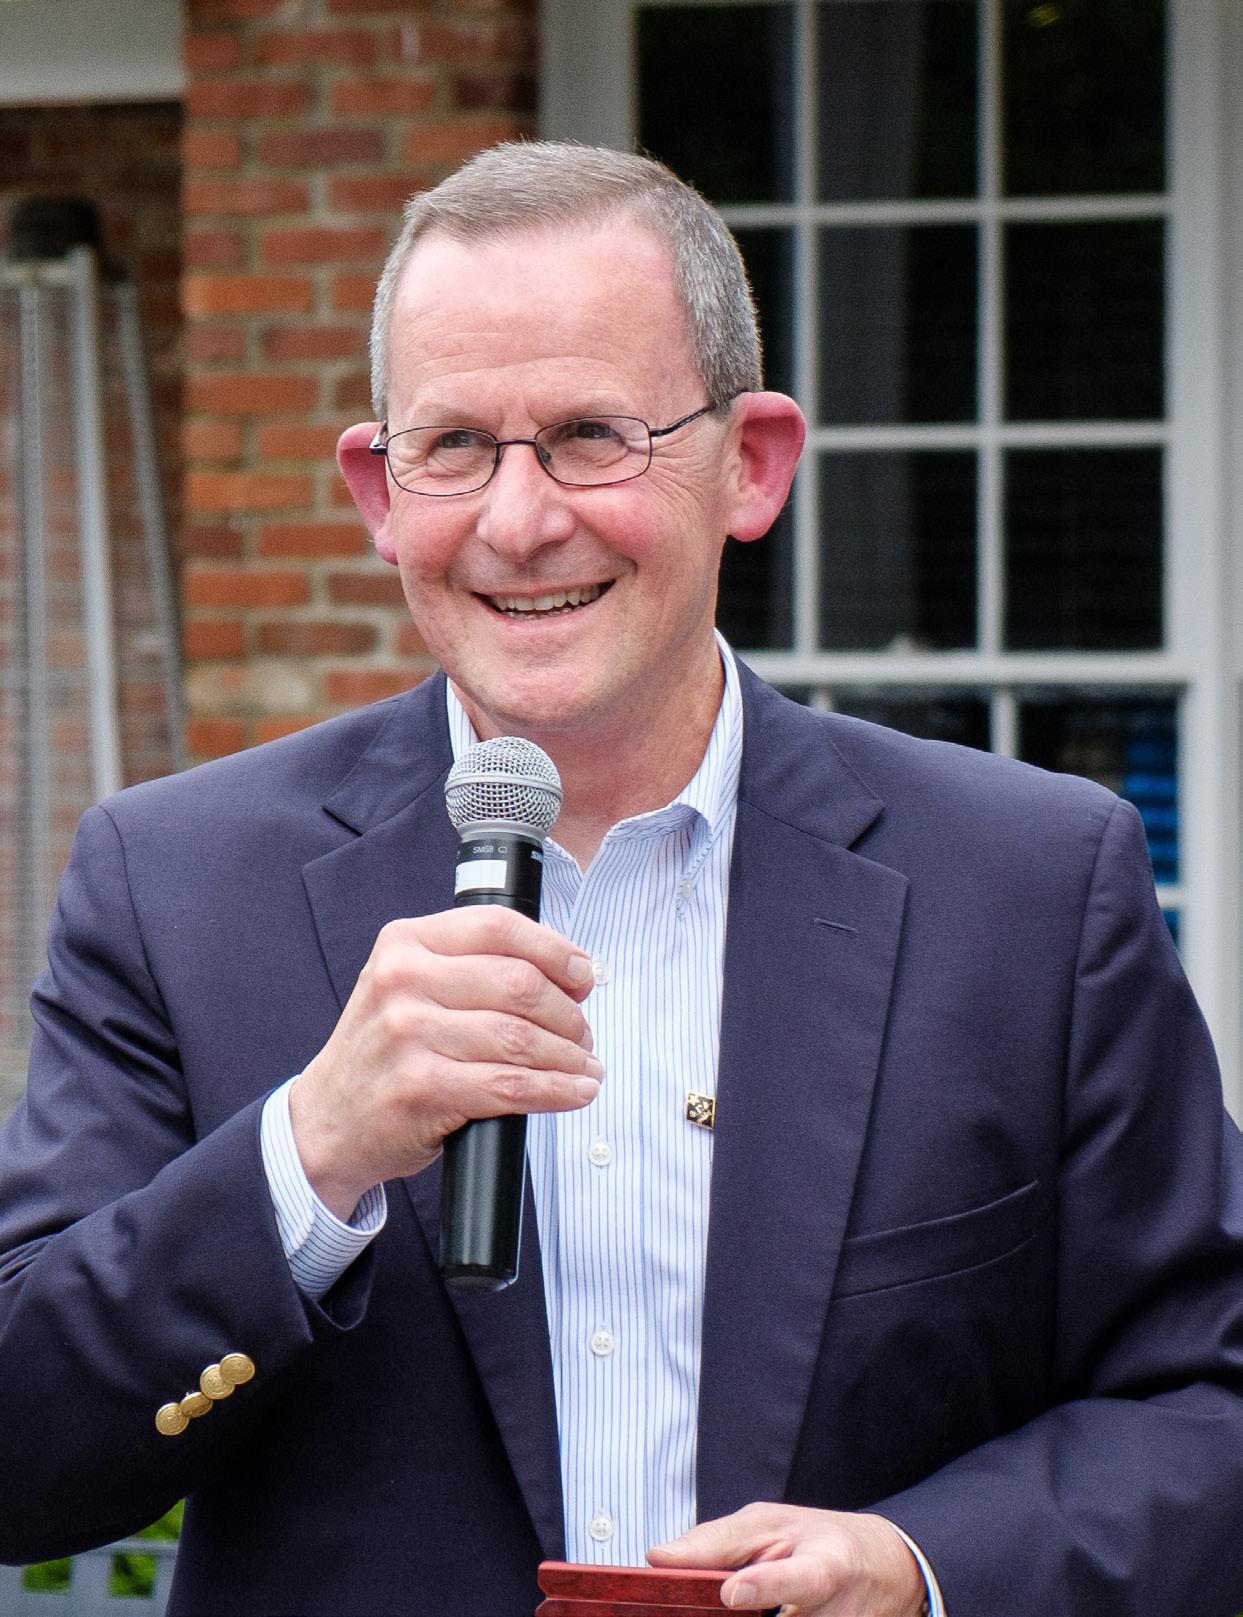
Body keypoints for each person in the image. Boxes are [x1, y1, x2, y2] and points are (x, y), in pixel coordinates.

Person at [1, 141, 1242, 1617]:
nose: (520, 522)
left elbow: (1208, 1398)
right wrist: (309, 1152)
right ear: (376, 489)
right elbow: (22, 1452)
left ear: (753, 464)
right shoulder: (176, 886)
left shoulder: (1031, 889)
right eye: (454, 444)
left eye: (593, 433)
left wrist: (924, 1570)